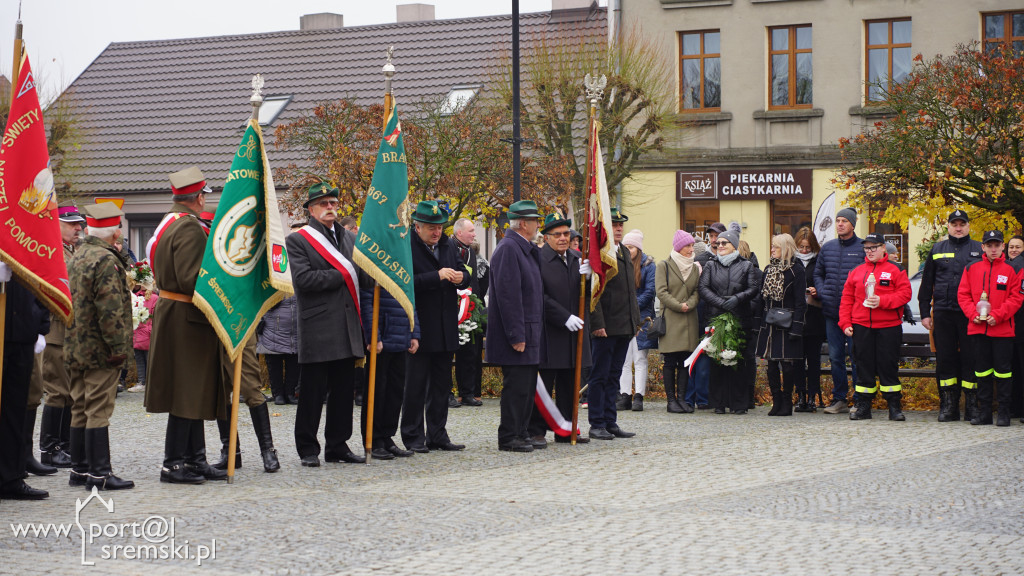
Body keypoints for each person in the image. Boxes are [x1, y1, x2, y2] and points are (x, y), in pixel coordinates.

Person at [146, 166, 226, 484]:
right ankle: (174, 463)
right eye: (205, 195)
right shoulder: (190, 229)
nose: (206, 200)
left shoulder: (171, 223)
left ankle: (195, 459)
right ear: (197, 197)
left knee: (193, 391)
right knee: (186, 391)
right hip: (186, 318)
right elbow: (192, 279)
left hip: (177, 314)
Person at [286, 183, 367, 466]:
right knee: (312, 392)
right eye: (323, 204)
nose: (330, 208)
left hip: (347, 325)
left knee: (344, 391)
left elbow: (360, 276)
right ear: (311, 209)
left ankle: (338, 445)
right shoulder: (298, 240)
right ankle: (308, 449)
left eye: (333, 203)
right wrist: (341, 274)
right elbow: (304, 281)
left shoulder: (348, 237)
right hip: (318, 326)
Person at [64, 203, 135, 490]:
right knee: (98, 408)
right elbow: (111, 311)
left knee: (80, 406)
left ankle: (79, 470)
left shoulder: (80, 255)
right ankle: (99, 473)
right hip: (100, 349)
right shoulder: (106, 260)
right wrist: (120, 350)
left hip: (76, 345)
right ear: (114, 230)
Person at [401, 201, 469, 453]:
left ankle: (438, 435)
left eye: (439, 227)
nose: (436, 232)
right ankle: (412, 436)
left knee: (441, 387)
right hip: (419, 327)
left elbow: (463, 271)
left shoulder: (448, 244)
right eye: (431, 227)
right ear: (416, 226)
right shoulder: (406, 246)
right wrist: (436, 276)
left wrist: (463, 277)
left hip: (445, 327)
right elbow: (404, 281)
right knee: (415, 387)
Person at [487, 200, 547, 452]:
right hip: (518, 334)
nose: (537, 226)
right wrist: (516, 335)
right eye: (535, 221)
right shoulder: (509, 249)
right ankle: (509, 435)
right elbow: (508, 297)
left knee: (526, 386)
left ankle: (522, 431)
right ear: (523, 223)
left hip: (529, 330)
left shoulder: (523, 248)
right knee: (516, 388)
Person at [527, 212, 591, 446]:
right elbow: (538, 295)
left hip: (573, 334)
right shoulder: (538, 259)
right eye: (558, 234)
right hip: (549, 331)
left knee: (569, 384)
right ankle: (535, 430)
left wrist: (591, 278)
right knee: (545, 383)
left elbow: (585, 296)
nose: (563, 238)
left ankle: (566, 428)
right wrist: (563, 316)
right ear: (546, 237)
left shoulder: (575, 258)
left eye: (566, 233)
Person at [839, 233, 912, 421]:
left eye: (873, 247)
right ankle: (863, 406)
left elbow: (905, 295)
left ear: (883, 248)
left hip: (888, 327)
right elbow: (846, 299)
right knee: (863, 367)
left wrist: (882, 301)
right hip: (862, 326)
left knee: (888, 366)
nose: (870, 251)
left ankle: (894, 406)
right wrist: (845, 323)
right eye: (867, 248)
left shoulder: (896, 269)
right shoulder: (856, 271)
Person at [919, 210, 983, 422]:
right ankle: (948, 406)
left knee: (970, 358)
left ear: (968, 226)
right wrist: (923, 313)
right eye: (954, 224)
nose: (958, 227)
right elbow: (927, 281)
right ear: (948, 226)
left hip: (970, 314)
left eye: (962, 224)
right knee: (945, 360)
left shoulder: (978, 249)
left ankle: (972, 406)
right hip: (943, 312)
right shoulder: (937, 249)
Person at [35, 204, 85, 470]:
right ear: (57, 224)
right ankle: (49, 448)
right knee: (57, 391)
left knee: (68, 393)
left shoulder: (69, 250)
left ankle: (63, 446)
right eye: (72, 224)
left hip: (69, 331)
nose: (79, 228)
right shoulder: (51, 251)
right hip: (56, 330)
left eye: (79, 223)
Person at [957, 230, 1024, 426]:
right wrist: (973, 314)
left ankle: (1003, 412)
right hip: (978, 328)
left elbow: (1017, 297)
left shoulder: (1012, 269)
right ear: (983, 247)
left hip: (1002, 329)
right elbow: (963, 295)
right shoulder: (971, 268)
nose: (993, 249)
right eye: (989, 245)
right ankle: (984, 412)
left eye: (997, 245)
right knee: (982, 372)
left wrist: (998, 315)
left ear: (1002, 246)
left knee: (1003, 372)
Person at [587, 208, 641, 439]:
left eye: (621, 225)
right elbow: (594, 292)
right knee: (599, 375)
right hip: (606, 326)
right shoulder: (600, 254)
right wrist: (597, 323)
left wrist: (634, 322)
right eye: (614, 225)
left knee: (614, 375)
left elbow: (629, 291)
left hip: (623, 326)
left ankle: (610, 421)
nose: (619, 228)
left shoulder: (624, 253)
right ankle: (596, 422)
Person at [0, 263, 52, 500]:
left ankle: (11, 477)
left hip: (21, 331)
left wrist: (41, 327)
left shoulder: (23, 236)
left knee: (16, 410)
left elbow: (41, 283)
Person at [698, 229, 761, 415]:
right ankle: (719, 402)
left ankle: (738, 403)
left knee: (737, 361)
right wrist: (721, 303)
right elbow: (703, 287)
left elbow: (752, 289)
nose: (720, 246)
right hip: (716, 317)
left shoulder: (746, 266)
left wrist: (737, 299)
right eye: (718, 243)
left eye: (724, 243)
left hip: (740, 318)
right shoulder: (711, 265)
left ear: (734, 245)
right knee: (717, 360)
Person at [360, 281, 419, 459]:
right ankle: (374, 438)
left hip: (401, 337)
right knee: (377, 392)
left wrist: (414, 332)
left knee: (395, 393)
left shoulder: (403, 267)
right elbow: (367, 302)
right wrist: (373, 335)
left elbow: (410, 301)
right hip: (382, 340)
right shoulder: (374, 264)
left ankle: (387, 437)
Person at [813, 207, 864, 414]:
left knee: (857, 356)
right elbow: (818, 273)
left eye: (844, 220)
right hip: (832, 312)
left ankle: (861, 399)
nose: (840, 224)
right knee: (835, 357)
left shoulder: (862, 248)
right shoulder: (828, 247)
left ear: (853, 224)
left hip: (855, 315)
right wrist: (824, 292)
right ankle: (840, 398)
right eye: (838, 220)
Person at [754, 234, 806, 417]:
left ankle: (786, 401)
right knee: (771, 364)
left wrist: (797, 327)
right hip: (769, 321)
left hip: (788, 321)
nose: (772, 249)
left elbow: (801, 302)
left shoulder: (797, 270)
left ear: (785, 248)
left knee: (788, 365)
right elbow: (762, 298)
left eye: (775, 247)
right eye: (772, 246)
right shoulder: (768, 269)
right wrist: (757, 323)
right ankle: (776, 401)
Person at [213, 338, 282, 473]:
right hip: (215, 332)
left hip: (241, 329)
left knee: (251, 389)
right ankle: (231, 451)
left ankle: (268, 450)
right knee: (220, 392)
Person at [656, 230, 701, 413]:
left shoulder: (695, 267)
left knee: (685, 360)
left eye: (692, 246)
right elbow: (661, 291)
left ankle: (682, 399)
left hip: (689, 318)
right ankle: (671, 401)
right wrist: (678, 306)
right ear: (679, 247)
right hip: (672, 318)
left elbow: (697, 291)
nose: (691, 249)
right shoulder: (664, 265)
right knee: (670, 360)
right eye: (688, 246)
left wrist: (688, 305)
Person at [618, 229, 657, 412]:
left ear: (638, 249)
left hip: (642, 317)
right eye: (625, 246)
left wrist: (632, 306)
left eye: (631, 247)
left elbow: (650, 292)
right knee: (624, 359)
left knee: (640, 357)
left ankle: (639, 396)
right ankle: (625, 395)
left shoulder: (649, 266)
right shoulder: (620, 264)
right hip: (623, 317)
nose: (628, 249)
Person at [793, 227, 826, 412]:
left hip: (814, 316)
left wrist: (816, 290)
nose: (804, 250)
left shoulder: (819, 261)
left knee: (813, 361)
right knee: (797, 360)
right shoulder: (792, 260)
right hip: (797, 318)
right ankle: (800, 396)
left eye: (807, 247)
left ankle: (813, 396)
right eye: (801, 246)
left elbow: (825, 282)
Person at [452, 218, 484, 407]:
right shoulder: (449, 248)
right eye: (471, 230)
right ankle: (447, 393)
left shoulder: (470, 251)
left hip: (470, 309)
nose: (474, 234)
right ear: (459, 233)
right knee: (449, 353)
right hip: (452, 308)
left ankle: (467, 392)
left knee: (469, 352)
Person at [257, 295, 299, 405]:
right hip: (273, 328)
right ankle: (278, 394)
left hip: (295, 329)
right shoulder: (272, 279)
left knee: (294, 362)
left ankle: (290, 393)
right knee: (274, 362)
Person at [1005, 235, 1024, 420]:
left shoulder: (1019, 266)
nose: (1014, 250)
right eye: (1011, 246)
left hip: (1019, 325)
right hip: (1010, 327)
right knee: (1014, 369)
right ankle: (1015, 408)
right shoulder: (1008, 266)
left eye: (1018, 247)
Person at [130, 281, 157, 393]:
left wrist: (150, 329)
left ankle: (150, 383)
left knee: (148, 358)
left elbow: (155, 315)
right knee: (139, 358)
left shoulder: (155, 298)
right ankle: (142, 382)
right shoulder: (136, 296)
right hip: (137, 332)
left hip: (147, 332)